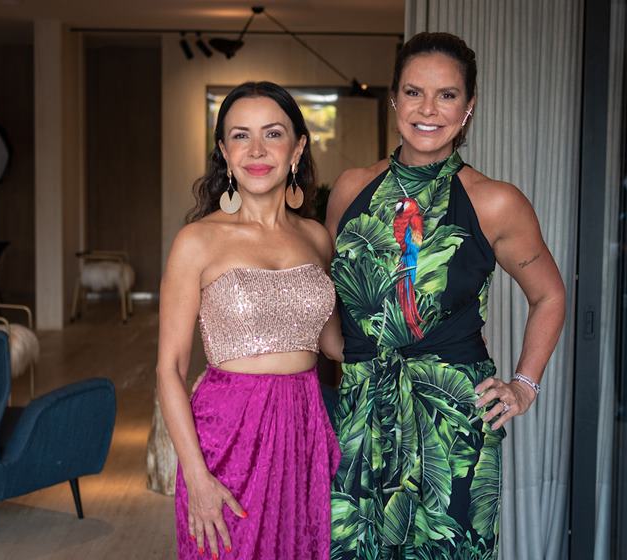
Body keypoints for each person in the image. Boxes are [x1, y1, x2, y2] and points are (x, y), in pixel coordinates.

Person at [323, 32, 566, 558]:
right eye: (413, 93)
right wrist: (335, 344)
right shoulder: (350, 188)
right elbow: (326, 281)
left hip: (451, 418)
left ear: (469, 105)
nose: (428, 109)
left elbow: (549, 296)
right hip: (364, 410)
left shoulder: (496, 202)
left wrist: (525, 384)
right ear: (394, 99)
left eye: (447, 95)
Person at [156, 81, 341, 560]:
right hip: (226, 434)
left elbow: (335, 344)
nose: (256, 150)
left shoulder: (318, 238)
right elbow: (169, 370)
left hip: (305, 427)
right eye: (240, 136)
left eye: (273, 134)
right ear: (224, 151)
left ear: (297, 147)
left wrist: (418, 330)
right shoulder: (196, 241)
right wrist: (196, 476)